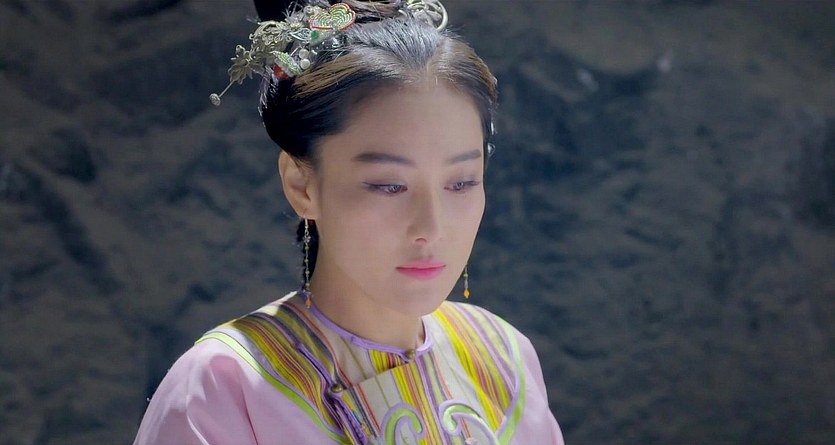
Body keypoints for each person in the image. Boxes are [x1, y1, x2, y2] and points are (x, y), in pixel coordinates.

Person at [134, 1, 565, 443]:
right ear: (302, 184)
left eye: (461, 183)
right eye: (389, 186)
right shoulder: (226, 386)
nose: (430, 228)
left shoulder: (502, 359)